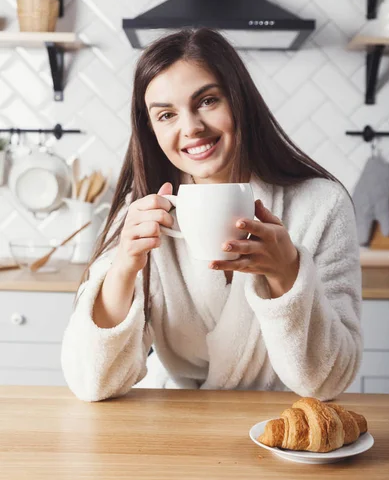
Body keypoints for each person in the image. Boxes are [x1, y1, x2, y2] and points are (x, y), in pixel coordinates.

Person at [61, 28, 362, 402]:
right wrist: (123, 268)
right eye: (167, 114)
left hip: (283, 425)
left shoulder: (321, 206)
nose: (191, 128)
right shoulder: (144, 214)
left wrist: (287, 273)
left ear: (240, 101)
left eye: (207, 101)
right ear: (151, 129)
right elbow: (91, 382)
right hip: (177, 423)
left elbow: (330, 381)